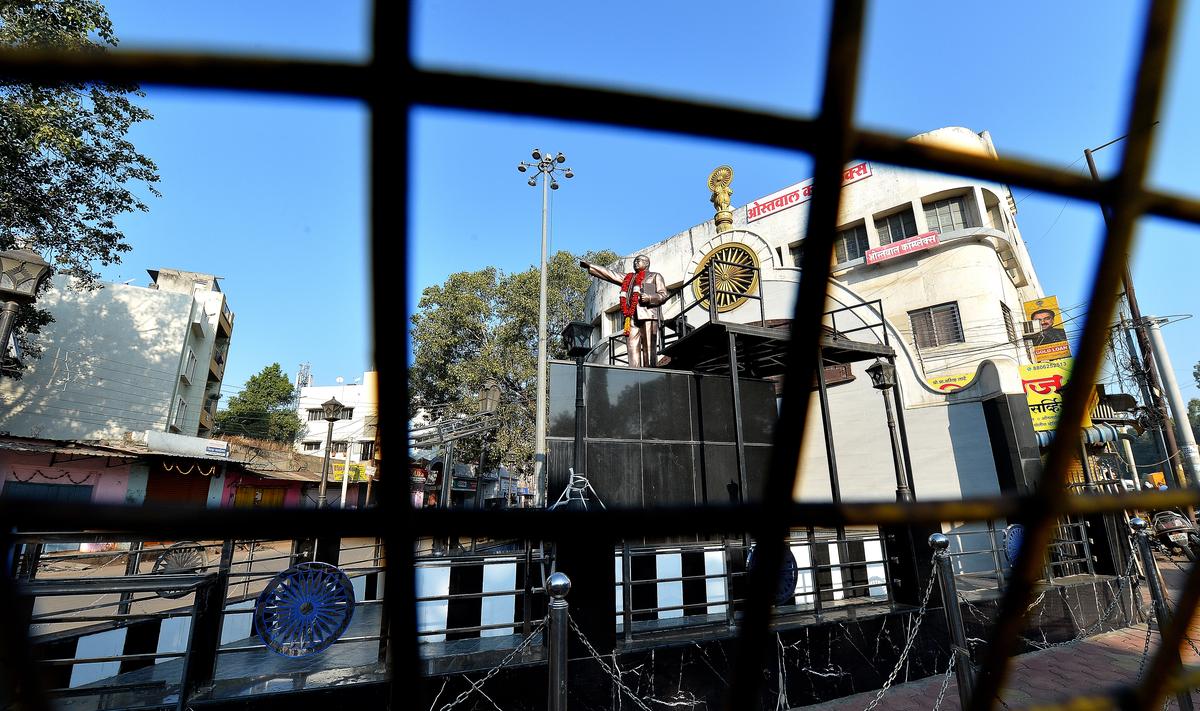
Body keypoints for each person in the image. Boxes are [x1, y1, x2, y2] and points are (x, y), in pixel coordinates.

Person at [580, 254, 667, 368]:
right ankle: (634, 372)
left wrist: (650, 298)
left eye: (638, 261)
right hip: (630, 317)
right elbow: (611, 274)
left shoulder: (655, 276)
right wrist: (591, 266)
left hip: (648, 315)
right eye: (634, 261)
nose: (635, 262)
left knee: (649, 349)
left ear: (646, 263)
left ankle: (650, 372)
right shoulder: (629, 278)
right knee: (632, 346)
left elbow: (663, 295)